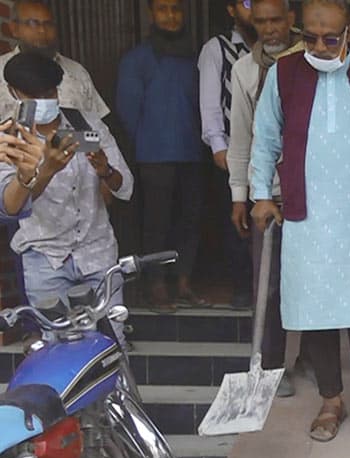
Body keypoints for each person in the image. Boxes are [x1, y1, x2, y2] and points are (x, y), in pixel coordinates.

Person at [249, 0, 350, 441]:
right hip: (306, 214)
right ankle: (331, 399)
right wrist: (260, 194)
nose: (320, 47)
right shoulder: (283, 74)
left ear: (349, 33)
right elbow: (265, 138)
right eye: (310, 38)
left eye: (330, 38)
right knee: (317, 309)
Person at [0, 53, 132, 339]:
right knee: (58, 347)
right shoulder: (10, 140)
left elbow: (126, 188)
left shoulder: (87, 126)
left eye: (49, 93)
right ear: (13, 92)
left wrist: (105, 171)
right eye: (33, 96)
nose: (44, 101)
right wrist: (46, 170)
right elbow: (10, 208)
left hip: (97, 253)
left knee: (112, 343)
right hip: (45, 260)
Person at [228, 0, 304, 398]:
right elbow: (242, 136)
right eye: (261, 22)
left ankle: (311, 357)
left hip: (311, 189)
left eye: (276, 20)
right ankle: (272, 367)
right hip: (267, 192)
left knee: (312, 280)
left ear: (291, 20)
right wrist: (241, 195)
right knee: (268, 285)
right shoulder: (244, 70)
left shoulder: (311, 61)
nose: (269, 29)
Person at [116, 0, 205, 312]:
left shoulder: (194, 58)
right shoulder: (137, 59)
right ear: (151, 14)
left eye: (176, 9)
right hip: (154, 156)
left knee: (190, 220)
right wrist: (148, 142)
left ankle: (183, 283)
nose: (170, 15)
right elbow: (127, 112)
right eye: (163, 9)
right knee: (157, 224)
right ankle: (156, 286)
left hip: (193, 152)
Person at [200, 0, 257, 309]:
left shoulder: (277, 47)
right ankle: (242, 287)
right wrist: (218, 146)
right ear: (232, 9)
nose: (254, 10)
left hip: (271, 155)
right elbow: (210, 103)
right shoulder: (217, 48)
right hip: (233, 151)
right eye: (246, 3)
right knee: (238, 221)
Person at [0, 0, 109, 118]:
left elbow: (97, 121)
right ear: (14, 28)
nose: (42, 30)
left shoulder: (77, 72)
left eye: (48, 24)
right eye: (33, 23)